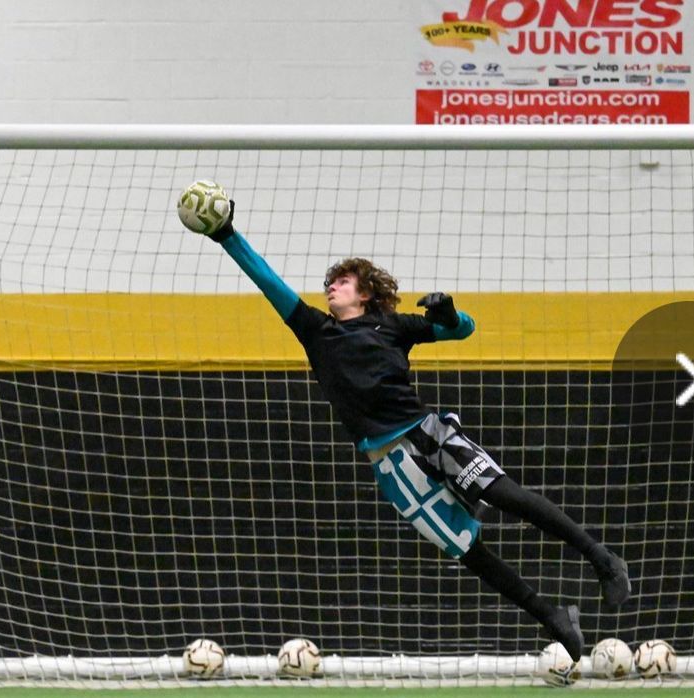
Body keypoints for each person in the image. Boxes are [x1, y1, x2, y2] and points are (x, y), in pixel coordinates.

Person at [197, 200, 629, 662]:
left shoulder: (390, 325)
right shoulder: (314, 330)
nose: (331, 288)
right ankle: (553, 618)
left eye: (341, 281)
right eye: (329, 283)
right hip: (390, 462)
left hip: (428, 434)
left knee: (507, 496)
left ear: (364, 294)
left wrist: (447, 313)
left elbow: (463, 330)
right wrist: (225, 234)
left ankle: (602, 558)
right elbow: (267, 280)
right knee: (468, 550)